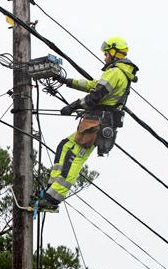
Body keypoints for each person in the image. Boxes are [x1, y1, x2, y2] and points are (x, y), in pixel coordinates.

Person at [35, 36, 139, 210]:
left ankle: (53, 200)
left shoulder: (115, 72)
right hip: (96, 122)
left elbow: (96, 95)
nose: (104, 57)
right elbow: (93, 84)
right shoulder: (118, 72)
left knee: (73, 158)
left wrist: (73, 105)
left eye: (106, 54)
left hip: (98, 123)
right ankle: (50, 189)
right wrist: (67, 82)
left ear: (113, 53)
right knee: (65, 146)